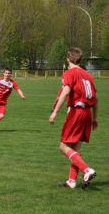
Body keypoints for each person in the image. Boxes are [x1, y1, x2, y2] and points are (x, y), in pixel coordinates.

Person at [49, 47, 98, 189]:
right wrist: (95, 118)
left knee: (63, 147)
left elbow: (64, 93)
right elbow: (96, 99)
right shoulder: (88, 75)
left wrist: (55, 112)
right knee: (76, 147)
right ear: (82, 60)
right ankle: (72, 180)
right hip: (87, 113)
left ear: (68, 60)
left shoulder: (70, 73)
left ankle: (87, 170)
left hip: (76, 112)